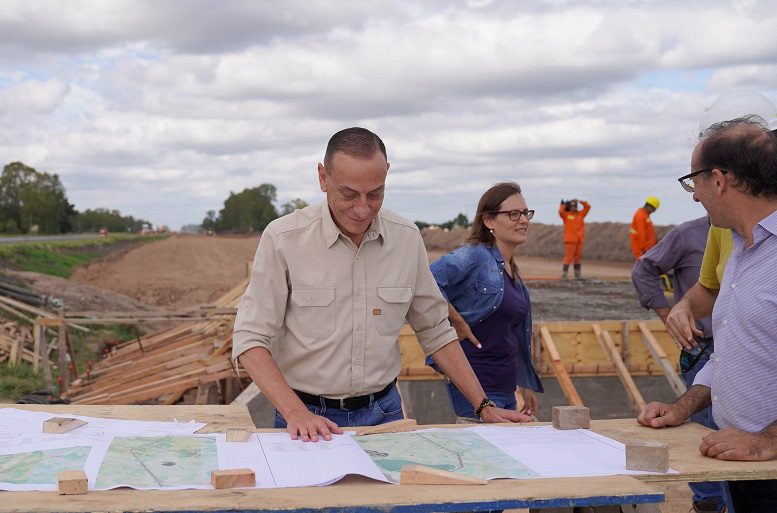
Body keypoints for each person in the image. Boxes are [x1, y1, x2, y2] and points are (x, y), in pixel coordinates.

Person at [232, 127, 532, 442]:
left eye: (375, 193)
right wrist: (295, 413)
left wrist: (483, 405)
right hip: (306, 418)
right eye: (348, 194)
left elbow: (436, 331)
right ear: (323, 178)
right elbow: (250, 340)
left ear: (386, 175)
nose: (362, 209)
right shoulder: (284, 240)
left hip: (385, 415)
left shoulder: (406, 238)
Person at [637, 118, 777, 513]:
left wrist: (768, 441)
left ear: (719, 180)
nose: (694, 197)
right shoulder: (742, 252)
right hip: (742, 464)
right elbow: (731, 357)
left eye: (692, 182)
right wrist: (683, 407)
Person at [631, 216, 727, 513]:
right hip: (701, 348)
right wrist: (670, 314)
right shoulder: (687, 235)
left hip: (731, 345)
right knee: (704, 429)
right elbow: (644, 269)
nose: (696, 197)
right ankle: (709, 503)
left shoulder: (746, 237)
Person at [429, 182, 543, 420]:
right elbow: (426, 280)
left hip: (505, 387)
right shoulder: (476, 255)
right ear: (488, 221)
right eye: (513, 214)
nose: (523, 220)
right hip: (477, 389)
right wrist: (456, 320)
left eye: (526, 213)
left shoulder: (511, 270)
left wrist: (525, 384)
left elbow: (510, 334)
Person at [558, 198, 591, 279]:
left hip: (579, 240)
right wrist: (564, 204)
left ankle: (577, 275)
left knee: (577, 258)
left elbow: (588, 207)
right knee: (568, 257)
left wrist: (580, 201)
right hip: (570, 240)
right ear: (569, 207)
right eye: (572, 206)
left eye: (575, 206)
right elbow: (561, 211)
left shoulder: (581, 214)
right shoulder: (566, 215)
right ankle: (564, 275)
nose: (573, 208)